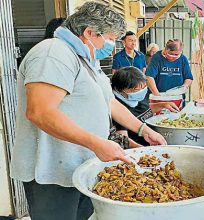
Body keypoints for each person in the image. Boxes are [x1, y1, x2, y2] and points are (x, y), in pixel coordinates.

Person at [10, 2, 166, 219]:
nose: (112, 45)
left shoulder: (86, 59)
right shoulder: (53, 53)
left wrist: (143, 129)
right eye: (110, 38)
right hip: (51, 173)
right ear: (90, 32)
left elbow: (109, 102)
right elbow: (40, 112)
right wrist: (96, 143)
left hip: (81, 166)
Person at [112, 66, 180, 145]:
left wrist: (163, 105)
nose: (142, 91)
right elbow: (123, 139)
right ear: (121, 90)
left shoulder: (138, 96)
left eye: (144, 87)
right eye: (136, 90)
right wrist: (141, 148)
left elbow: (143, 110)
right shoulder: (117, 109)